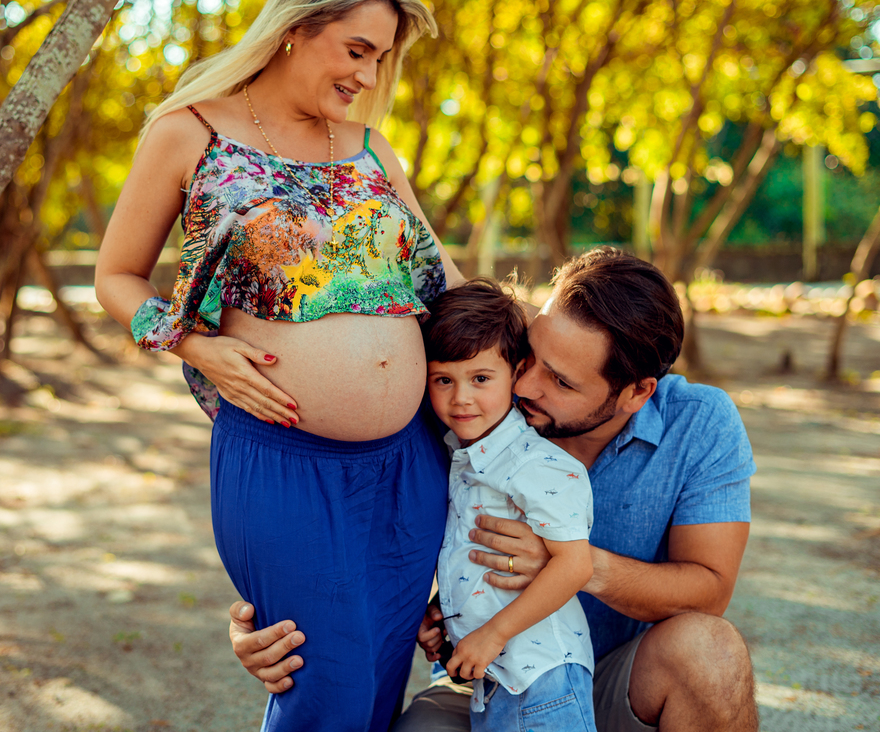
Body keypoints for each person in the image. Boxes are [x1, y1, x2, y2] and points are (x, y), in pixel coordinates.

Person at [95, 0, 464, 732]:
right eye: (356, 50)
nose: (368, 76)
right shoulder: (189, 131)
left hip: (410, 463)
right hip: (282, 458)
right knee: (319, 690)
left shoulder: (370, 149)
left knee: (376, 685)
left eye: (382, 58)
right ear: (296, 27)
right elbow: (117, 276)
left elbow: (445, 284)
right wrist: (193, 345)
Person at [228, 247, 759, 732]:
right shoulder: (469, 404)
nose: (526, 387)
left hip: (612, 678)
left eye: (562, 382)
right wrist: (266, 621)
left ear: (636, 392)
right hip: (478, 680)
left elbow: (709, 589)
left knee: (711, 652)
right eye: (531, 358)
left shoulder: (700, 424)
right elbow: (340, 513)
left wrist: (570, 564)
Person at [422, 278, 597, 731]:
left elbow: (574, 565)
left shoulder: (538, 464)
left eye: (480, 379)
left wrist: (492, 634)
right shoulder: (462, 456)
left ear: (517, 373)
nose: (461, 397)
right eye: (444, 379)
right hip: (496, 679)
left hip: (542, 679)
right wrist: (445, 612)